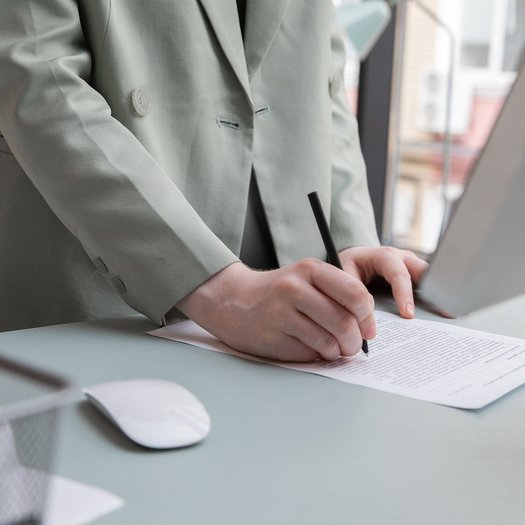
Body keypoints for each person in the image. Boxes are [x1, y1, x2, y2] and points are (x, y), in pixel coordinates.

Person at [0, 0, 427, 360]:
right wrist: (223, 291)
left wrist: (347, 241)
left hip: (288, 314)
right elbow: (41, 87)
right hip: (106, 302)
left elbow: (324, 76)